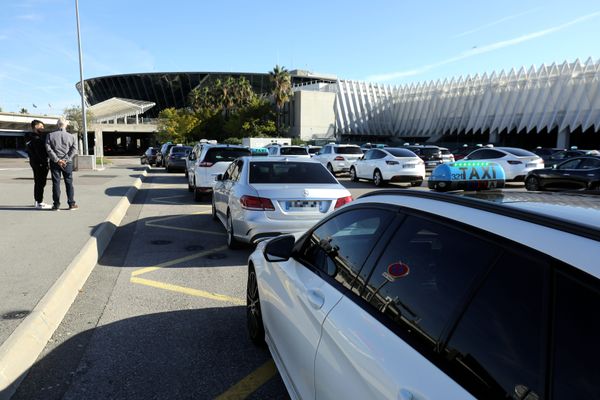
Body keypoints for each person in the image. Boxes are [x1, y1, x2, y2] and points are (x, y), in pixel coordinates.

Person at [45, 117, 78, 211]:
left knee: (56, 182)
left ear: (57, 124)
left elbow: (48, 149)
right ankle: (71, 203)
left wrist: (57, 160)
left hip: (55, 162)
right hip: (67, 163)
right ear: (66, 125)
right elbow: (74, 149)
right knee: (69, 182)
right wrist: (66, 159)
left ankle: (56, 205)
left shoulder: (50, 135)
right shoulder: (71, 136)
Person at [26, 119, 50, 209]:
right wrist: (45, 162)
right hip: (40, 163)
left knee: (38, 182)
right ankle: (39, 202)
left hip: (34, 162)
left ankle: (37, 201)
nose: (43, 128)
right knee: (40, 182)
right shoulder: (36, 139)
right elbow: (40, 152)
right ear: (36, 127)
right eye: (41, 126)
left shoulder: (29, 137)